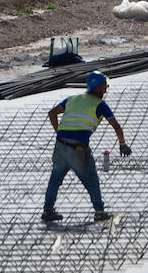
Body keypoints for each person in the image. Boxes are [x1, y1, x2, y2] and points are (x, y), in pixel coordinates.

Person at [43, 70, 130, 222]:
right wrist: (122, 144)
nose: (106, 88)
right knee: (91, 178)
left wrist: (59, 133)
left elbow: (52, 113)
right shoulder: (100, 105)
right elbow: (116, 126)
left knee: (55, 179)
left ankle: (48, 211)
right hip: (78, 148)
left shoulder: (72, 99)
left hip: (60, 146)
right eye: (104, 85)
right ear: (97, 87)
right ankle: (99, 211)